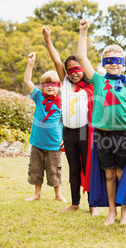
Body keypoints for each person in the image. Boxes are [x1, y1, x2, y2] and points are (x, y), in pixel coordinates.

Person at [77, 19, 126, 225]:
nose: (114, 63)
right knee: (110, 174)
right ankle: (111, 212)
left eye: (118, 60)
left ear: (123, 63)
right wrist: (83, 32)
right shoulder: (97, 80)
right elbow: (81, 57)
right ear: (104, 63)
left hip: (123, 135)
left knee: (123, 175)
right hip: (102, 136)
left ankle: (124, 212)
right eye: (110, 60)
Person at [42, 27, 99, 216]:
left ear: (83, 69)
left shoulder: (91, 85)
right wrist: (48, 39)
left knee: (87, 167)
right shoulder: (65, 83)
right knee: (74, 168)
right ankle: (75, 203)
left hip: (85, 131)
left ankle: (93, 205)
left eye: (77, 69)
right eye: (70, 70)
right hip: (68, 131)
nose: (74, 73)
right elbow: (56, 60)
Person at [23, 52, 66, 203]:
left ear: (59, 87)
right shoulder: (39, 97)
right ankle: (37, 193)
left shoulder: (63, 102)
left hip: (54, 143)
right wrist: (30, 64)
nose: (49, 87)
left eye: (53, 84)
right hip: (37, 142)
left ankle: (58, 194)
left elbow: (66, 123)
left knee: (54, 169)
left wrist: (65, 139)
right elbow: (27, 80)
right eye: (46, 84)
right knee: (36, 168)